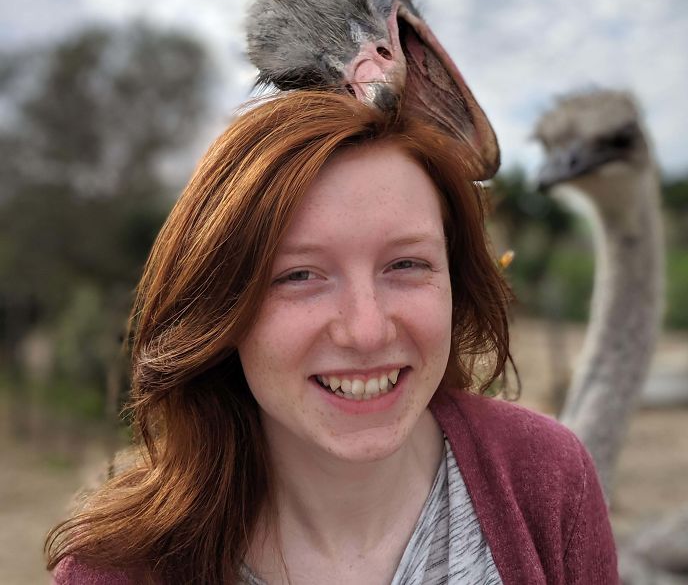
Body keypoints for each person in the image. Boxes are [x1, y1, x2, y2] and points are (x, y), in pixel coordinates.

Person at [47, 90, 618, 584]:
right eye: (299, 275)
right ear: (222, 309)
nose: (367, 331)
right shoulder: (114, 572)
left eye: (407, 265)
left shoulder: (546, 478)